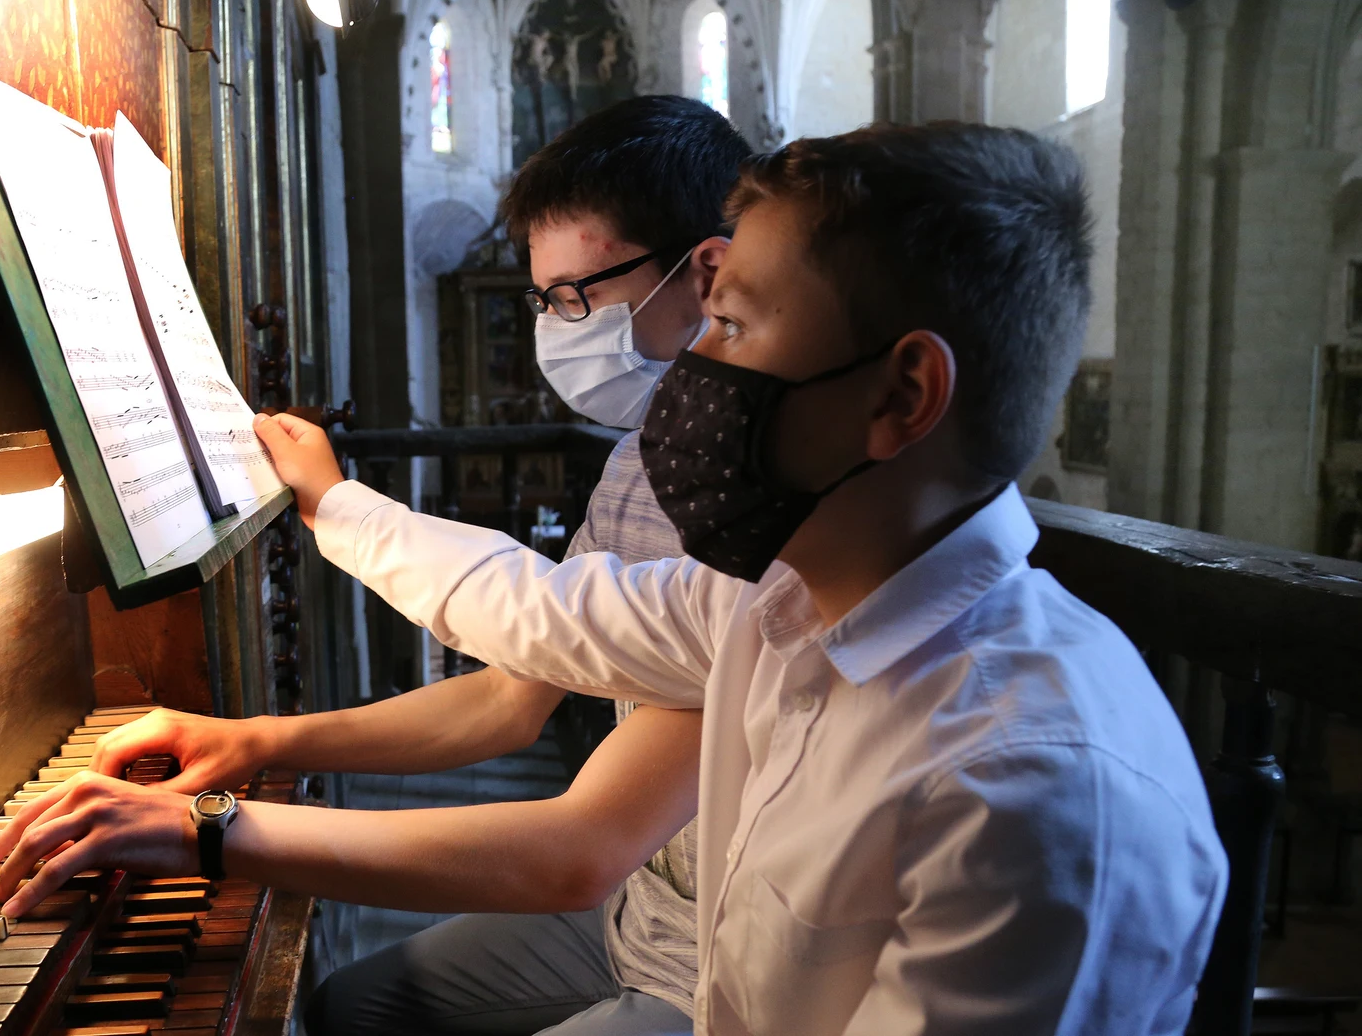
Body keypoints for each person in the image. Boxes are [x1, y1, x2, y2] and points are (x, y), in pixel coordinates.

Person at [246, 123, 1230, 1033]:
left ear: (902, 394)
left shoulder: (1033, 794)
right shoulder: (778, 602)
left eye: (731, 326)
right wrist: (334, 503)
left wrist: (218, 832)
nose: (692, 375)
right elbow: (542, 612)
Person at [0, 95, 749, 1036]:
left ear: (706, 272)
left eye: (574, 298)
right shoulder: (642, 456)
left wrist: (215, 831)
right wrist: (261, 741)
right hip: (646, 903)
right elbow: (511, 695)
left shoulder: (759, 500)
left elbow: (578, 845)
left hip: (722, 966)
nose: (556, 325)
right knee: (352, 1008)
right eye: (542, 300)